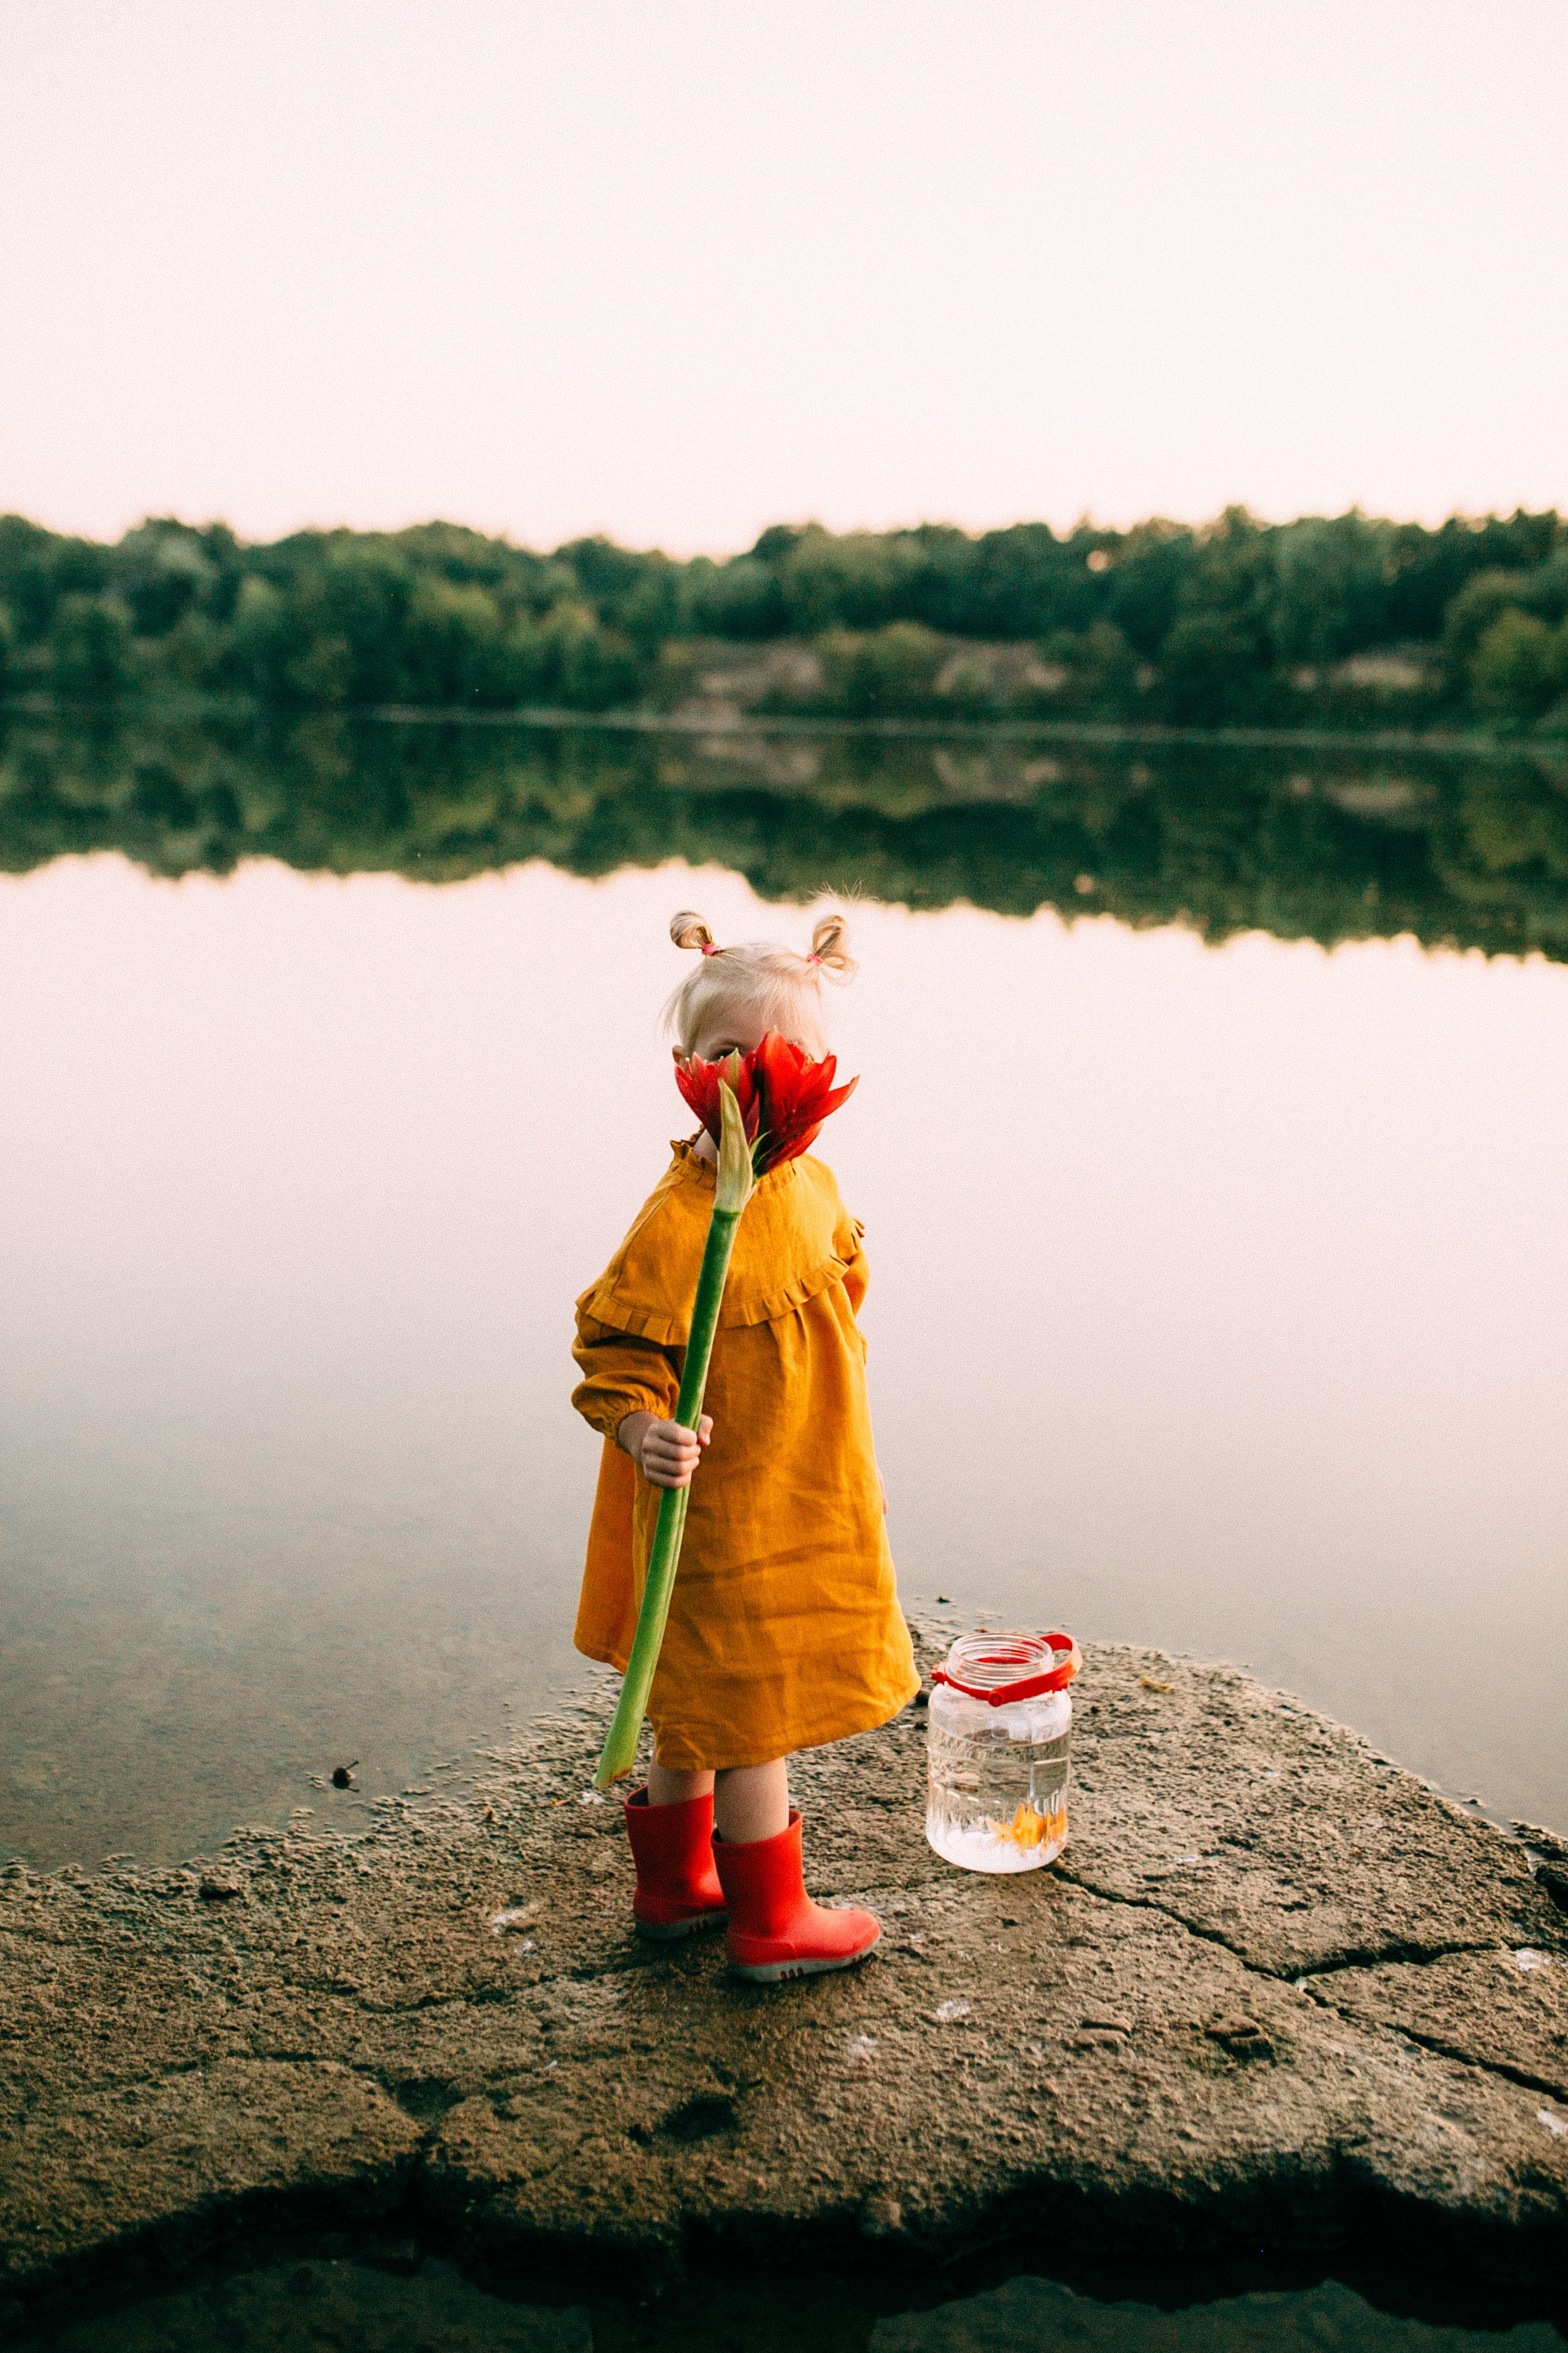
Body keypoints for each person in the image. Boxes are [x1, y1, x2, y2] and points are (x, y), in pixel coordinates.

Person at [570, 908, 918, 1982]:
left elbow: (841, 1279)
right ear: (685, 1068)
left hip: (797, 1477)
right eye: (731, 1057)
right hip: (716, 1499)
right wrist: (640, 1427)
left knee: (699, 1697)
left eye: (792, 1060)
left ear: (824, 1074)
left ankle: (676, 1885)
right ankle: (772, 1920)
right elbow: (613, 1348)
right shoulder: (680, 1221)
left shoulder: (809, 1182)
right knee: (743, 1699)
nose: (761, 1078)